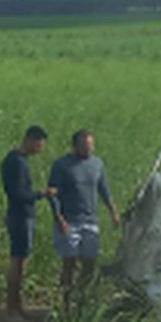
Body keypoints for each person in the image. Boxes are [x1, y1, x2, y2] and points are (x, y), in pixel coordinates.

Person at [47, 129, 121, 309]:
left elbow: (104, 190)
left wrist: (113, 212)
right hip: (69, 221)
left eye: (90, 146)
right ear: (75, 146)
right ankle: (65, 302)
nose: (89, 150)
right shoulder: (62, 165)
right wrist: (59, 219)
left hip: (90, 221)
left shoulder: (97, 164)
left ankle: (80, 299)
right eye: (85, 146)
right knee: (69, 262)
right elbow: (52, 194)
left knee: (89, 263)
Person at [1, 125, 57, 317]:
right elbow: (18, 194)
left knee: (19, 259)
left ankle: (15, 304)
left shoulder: (15, 159)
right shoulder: (17, 163)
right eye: (40, 145)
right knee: (18, 260)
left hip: (19, 215)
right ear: (30, 140)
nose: (41, 149)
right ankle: (13, 305)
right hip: (20, 215)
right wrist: (41, 193)